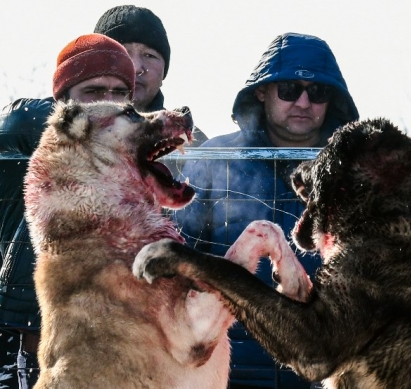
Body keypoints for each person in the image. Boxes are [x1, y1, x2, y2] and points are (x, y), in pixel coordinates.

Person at [175, 32, 359, 388]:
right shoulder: (214, 160)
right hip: (225, 372)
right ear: (262, 92)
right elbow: (180, 263)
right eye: (289, 89)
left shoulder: (355, 173)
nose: (303, 102)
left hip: (323, 373)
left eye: (317, 92)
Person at [0, 33, 136, 389]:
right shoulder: (33, 132)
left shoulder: (136, 156)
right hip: (27, 326)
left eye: (119, 93)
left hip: (106, 331)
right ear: (63, 98)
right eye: (93, 92)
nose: (108, 104)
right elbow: (16, 122)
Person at [94, 4, 207, 145]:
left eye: (149, 55)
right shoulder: (65, 136)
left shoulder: (189, 144)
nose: (136, 68)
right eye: (123, 53)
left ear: (164, 72)